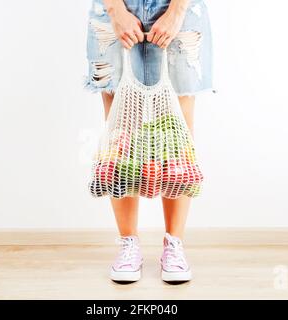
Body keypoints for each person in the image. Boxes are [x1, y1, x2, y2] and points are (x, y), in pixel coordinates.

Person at [85, 0, 213, 283]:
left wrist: (177, 11)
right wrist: (116, 11)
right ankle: (128, 242)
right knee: (120, 135)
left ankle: (174, 243)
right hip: (113, 10)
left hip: (180, 8)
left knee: (176, 136)